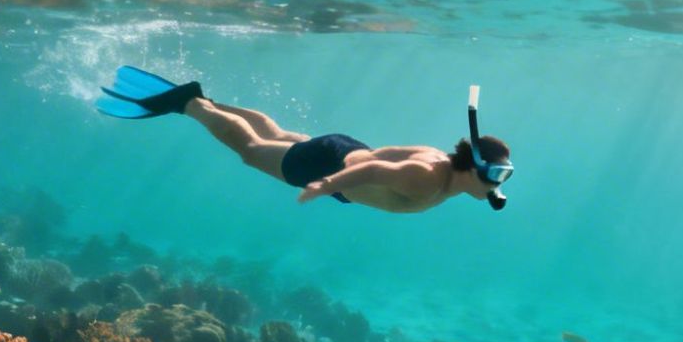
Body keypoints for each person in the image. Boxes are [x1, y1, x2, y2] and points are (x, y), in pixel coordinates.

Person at [96, 67, 513, 214]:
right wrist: (324, 186)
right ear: (473, 167)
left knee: (276, 135)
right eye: (495, 175)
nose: (499, 184)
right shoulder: (425, 177)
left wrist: (489, 193)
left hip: (344, 146)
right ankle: (190, 104)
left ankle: (208, 100)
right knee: (253, 151)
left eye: (504, 177)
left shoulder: (446, 165)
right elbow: (371, 169)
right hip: (337, 167)